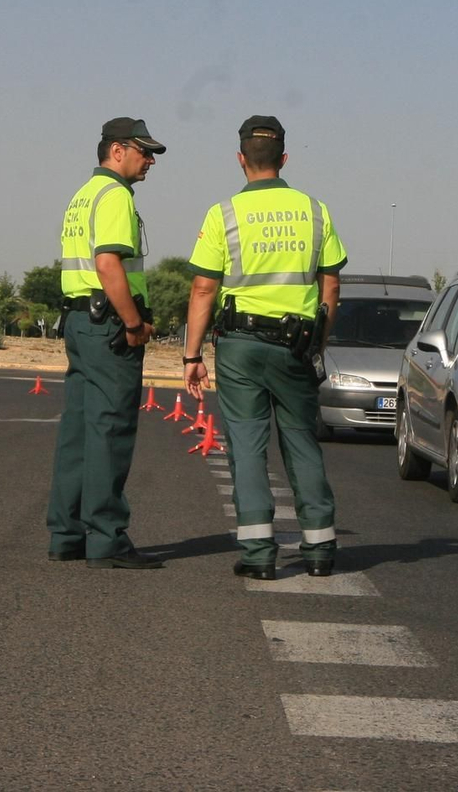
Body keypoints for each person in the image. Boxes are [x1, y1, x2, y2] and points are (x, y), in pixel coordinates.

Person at [182, 115, 348, 581]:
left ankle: (258, 555)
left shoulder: (223, 214)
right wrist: (319, 341)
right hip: (296, 346)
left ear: (240, 160)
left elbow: (202, 289)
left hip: (239, 347)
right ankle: (320, 550)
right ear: (284, 159)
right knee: (301, 441)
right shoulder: (316, 211)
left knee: (247, 447)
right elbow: (331, 283)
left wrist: (192, 356)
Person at [46, 117, 166, 570]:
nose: (150, 161)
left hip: (80, 323)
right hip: (110, 327)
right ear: (117, 151)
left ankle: (66, 534)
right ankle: (106, 539)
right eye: (144, 151)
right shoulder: (115, 195)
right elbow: (109, 264)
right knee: (110, 431)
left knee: (77, 430)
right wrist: (134, 323)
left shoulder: (83, 195)